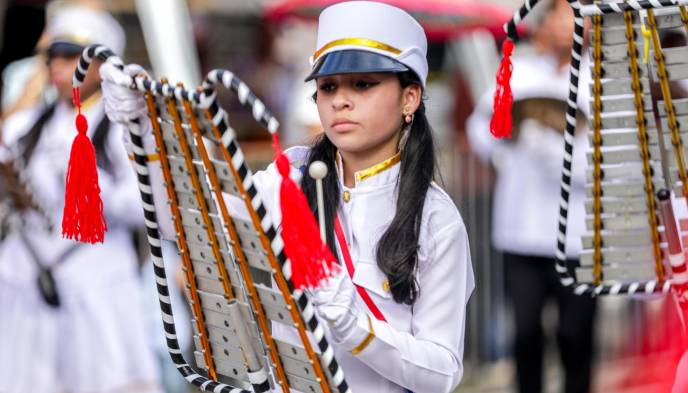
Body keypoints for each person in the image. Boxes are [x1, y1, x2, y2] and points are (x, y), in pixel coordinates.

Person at [100, 1, 475, 392]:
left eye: (363, 84)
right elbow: (191, 225)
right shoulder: (288, 180)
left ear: (409, 98)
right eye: (328, 86)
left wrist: (355, 327)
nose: (340, 100)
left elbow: (442, 374)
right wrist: (147, 135)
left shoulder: (435, 219)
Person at [0, 5, 162, 393]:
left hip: (97, 287)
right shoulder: (26, 125)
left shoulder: (127, 127)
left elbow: (152, 207)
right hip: (27, 282)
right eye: (53, 56)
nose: (59, 67)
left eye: (72, 56)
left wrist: (91, 188)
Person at [466, 1, 596, 393]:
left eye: (578, 21)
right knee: (524, 333)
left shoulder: (601, 79)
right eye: (560, 19)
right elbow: (480, 126)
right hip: (520, 228)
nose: (568, 29)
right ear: (542, 27)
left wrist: (563, 158)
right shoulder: (517, 71)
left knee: (576, 335)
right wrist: (506, 146)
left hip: (579, 234)